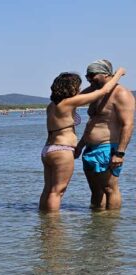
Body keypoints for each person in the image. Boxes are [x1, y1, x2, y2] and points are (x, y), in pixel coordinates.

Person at [40, 67, 126, 211]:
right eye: (77, 86)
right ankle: (53, 227)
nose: (79, 89)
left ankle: (44, 223)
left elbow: (85, 94)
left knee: (48, 190)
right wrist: (118, 74)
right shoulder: (68, 103)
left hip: (48, 150)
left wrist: (91, 85)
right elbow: (102, 92)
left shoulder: (52, 105)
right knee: (58, 191)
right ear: (71, 88)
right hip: (62, 150)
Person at [76, 60, 135, 209]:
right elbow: (93, 122)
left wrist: (120, 153)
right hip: (89, 148)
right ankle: (97, 228)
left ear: (106, 74)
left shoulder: (121, 93)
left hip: (108, 148)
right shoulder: (95, 92)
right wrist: (80, 145)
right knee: (96, 191)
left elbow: (127, 124)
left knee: (110, 189)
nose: (89, 79)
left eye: (93, 75)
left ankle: (111, 226)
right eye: (87, 76)